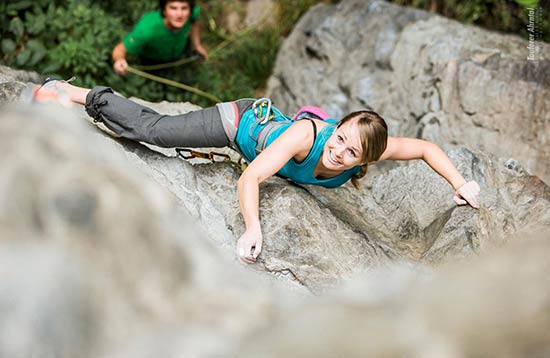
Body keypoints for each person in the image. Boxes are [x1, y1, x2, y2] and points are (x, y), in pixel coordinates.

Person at [33, 80, 481, 264]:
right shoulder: (306, 137)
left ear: (368, 159)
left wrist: (460, 184)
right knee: (156, 132)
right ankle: (71, 93)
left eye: (352, 152)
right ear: (336, 126)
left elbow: (423, 147)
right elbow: (251, 179)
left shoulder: (371, 150)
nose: (340, 150)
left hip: (265, 137)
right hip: (239, 125)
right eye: (340, 137)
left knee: (157, 131)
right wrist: (253, 228)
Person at [112, 0, 208, 75]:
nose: (179, 14)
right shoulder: (147, 30)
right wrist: (119, 60)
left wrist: (197, 44)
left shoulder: (193, 13)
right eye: (173, 8)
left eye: (184, 8)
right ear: (164, 10)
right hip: (152, 61)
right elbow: (120, 49)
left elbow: (194, 21)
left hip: (177, 53)